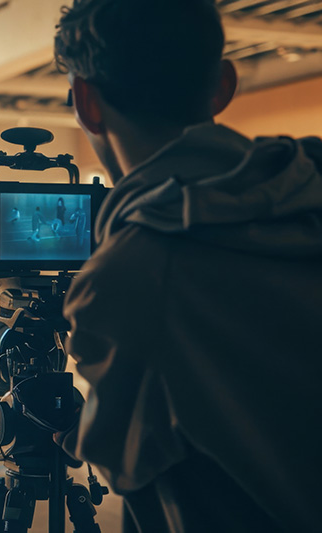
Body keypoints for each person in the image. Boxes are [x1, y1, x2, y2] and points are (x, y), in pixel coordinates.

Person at [53, 1, 322, 532]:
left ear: (86, 101)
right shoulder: (308, 190)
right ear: (223, 84)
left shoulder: (129, 278)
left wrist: (65, 428)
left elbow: (124, 464)